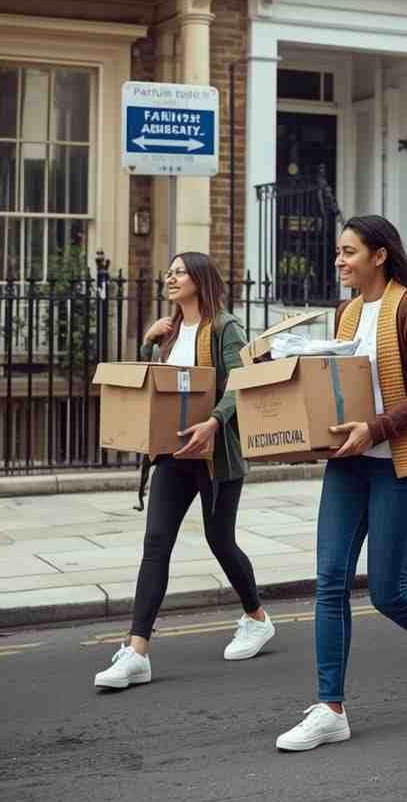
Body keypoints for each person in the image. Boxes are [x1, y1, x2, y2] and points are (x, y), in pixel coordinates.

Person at [276, 216, 407, 752]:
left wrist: (376, 429)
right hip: (350, 465)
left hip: (401, 463)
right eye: (338, 253)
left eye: (348, 252)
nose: (339, 261)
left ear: (380, 255)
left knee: (388, 591)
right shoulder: (346, 314)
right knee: (330, 579)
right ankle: (330, 708)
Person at [93, 253, 275, 689]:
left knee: (220, 540)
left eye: (178, 271)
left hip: (215, 454)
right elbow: (154, 385)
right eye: (168, 271)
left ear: (200, 279)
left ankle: (257, 617)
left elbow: (240, 381)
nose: (170, 277)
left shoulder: (226, 327)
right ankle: (137, 651)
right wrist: (146, 343)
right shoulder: (170, 331)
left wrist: (214, 421)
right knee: (156, 543)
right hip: (174, 454)